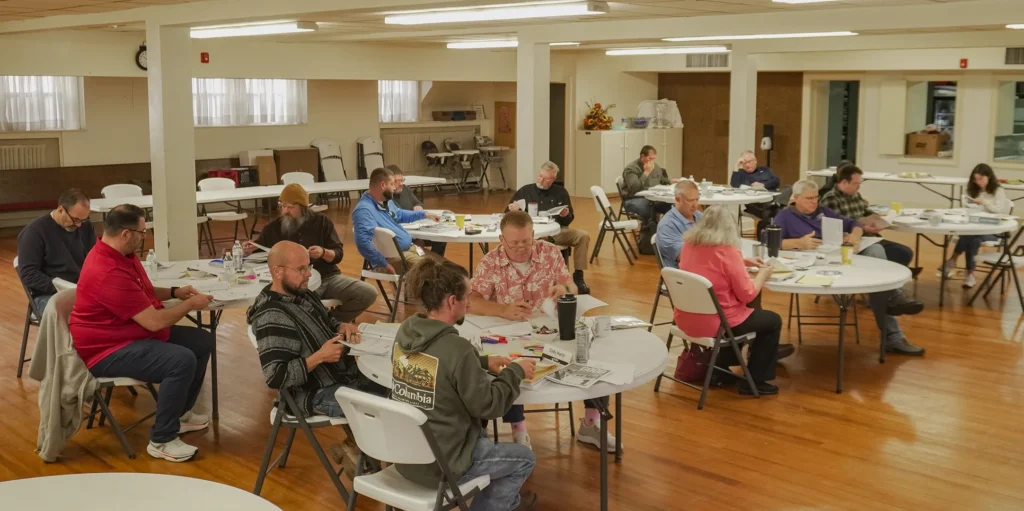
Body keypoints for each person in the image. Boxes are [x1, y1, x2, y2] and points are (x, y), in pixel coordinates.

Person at [70, 204, 214, 462]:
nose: (143, 236)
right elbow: (154, 322)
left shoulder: (121, 255)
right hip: (105, 350)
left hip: (125, 333)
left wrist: (173, 292)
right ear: (126, 234)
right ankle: (162, 439)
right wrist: (190, 304)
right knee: (180, 360)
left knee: (201, 341)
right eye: (142, 231)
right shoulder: (107, 270)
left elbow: (140, 293)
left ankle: (179, 415)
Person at [392, 257, 538, 511]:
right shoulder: (457, 349)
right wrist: (515, 372)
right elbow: (490, 407)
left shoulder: (406, 332)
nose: (470, 304)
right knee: (524, 458)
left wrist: (480, 361)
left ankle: (508, 503)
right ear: (452, 302)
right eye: (468, 296)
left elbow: (436, 364)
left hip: (405, 455)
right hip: (445, 461)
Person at [470, 211, 618, 452]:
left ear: (533, 236)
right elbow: (473, 301)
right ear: (501, 239)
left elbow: (572, 286)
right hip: (511, 330)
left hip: (552, 328)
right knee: (510, 364)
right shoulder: (490, 261)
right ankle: (518, 430)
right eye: (514, 243)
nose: (521, 248)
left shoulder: (549, 252)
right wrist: (502, 308)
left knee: (588, 353)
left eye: (526, 242)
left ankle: (591, 422)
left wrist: (564, 289)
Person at [774, 180, 926, 356]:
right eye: (809, 198)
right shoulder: (784, 216)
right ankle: (894, 322)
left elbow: (855, 224)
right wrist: (798, 243)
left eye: (816, 197)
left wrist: (854, 237)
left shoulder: (823, 212)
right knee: (879, 285)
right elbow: (767, 239)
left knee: (876, 250)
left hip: (838, 257)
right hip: (811, 265)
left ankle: (892, 302)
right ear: (796, 198)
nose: (814, 202)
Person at [247, 241, 387, 419]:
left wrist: (341, 326)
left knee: (398, 392)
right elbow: (275, 376)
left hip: (340, 376)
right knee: (388, 408)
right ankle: (358, 444)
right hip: (312, 393)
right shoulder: (272, 316)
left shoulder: (301, 293)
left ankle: (355, 445)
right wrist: (320, 357)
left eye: (309, 267)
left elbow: (327, 318)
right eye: (300, 269)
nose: (308, 274)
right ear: (277, 271)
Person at [673, 206, 781, 395]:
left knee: (744, 313)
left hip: (686, 317)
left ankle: (719, 369)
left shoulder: (688, 246)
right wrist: (763, 274)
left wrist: (743, 261)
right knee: (772, 321)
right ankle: (755, 381)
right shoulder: (728, 251)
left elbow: (708, 265)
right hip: (718, 323)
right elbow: (748, 294)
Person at [244, 183, 377, 323]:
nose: (286, 211)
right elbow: (260, 255)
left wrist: (323, 252)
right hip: (296, 283)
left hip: (328, 277)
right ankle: (317, 325)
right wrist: (249, 250)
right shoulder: (273, 228)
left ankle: (329, 323)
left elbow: (338, 254)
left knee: (367, 293)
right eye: (283, 206)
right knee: (293, 306)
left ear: (303, 207)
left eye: (291, 207)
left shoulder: (321, 222)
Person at [507, 161, 592, 294]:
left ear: (553, 179)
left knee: (583, 235)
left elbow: (569, 220)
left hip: (557, 232)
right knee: (540, 240)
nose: (541, 180)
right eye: (540, 176)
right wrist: (513, 209)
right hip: (535, 234)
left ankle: (578, 276)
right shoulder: (525, 191)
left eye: (546, 179)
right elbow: (507, 214)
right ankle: (541, 279)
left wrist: (566, 214)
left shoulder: (561, 192)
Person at [819, 164, 917, 271]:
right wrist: (864, 228)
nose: (858, 187)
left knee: (905, 252)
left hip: (870, 238)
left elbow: (867, 212)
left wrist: (877, 220)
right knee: (877, 250)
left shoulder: (855, 195)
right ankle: (887, 278)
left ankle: (895, 275)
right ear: (843, 182)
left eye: (859, 184)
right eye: (856, 184)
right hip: (852, 242)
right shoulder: (831, 199)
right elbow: (837, 228)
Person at [17, 188, 97, 314]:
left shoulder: (85, 226)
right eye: (75, 219)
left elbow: (95, 259)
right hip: (48, 294)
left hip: (80, 289)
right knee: (80, 314)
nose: (79, 225)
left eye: (83, 220)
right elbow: (29, 274)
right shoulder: (34, 232)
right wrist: (64, 288)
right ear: (60, 209)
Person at [353, 167, 441, 274]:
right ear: (382, 185)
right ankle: (412, 290)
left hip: (407, 251)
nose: (394, 188)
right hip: (393, 259)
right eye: (392, 184)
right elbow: (363, 243)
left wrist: (423, 214)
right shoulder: (364, 210)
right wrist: (383, 263)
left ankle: (412, 290)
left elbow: (399, 214)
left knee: (443, 265)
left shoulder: (385, 201)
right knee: (435, 271)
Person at [942, 163, 1013, 288]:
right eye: (976, 179)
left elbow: (999, 210)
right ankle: (970, 274)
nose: (978, 182)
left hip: (994, 231)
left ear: (989, 176)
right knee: (973, 238)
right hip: (976, 227)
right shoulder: (974, 190)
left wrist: (983, 202)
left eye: (981, 179)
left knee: (969, 236)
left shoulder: (998, 190)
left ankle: (953, 260)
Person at [388, 164, 447, 257]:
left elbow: (418, 202)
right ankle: (430, 264)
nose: (400, 184)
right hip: (405, 234)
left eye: (402, 180)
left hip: (417, 229)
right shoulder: (387, 198)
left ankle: (435, 264)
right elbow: (398, 216)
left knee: (441, 239)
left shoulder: (406, 189)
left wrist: (418, 206)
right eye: (396, 181)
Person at [621, 145, 675, 225]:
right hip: (633, 199)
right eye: (650, 158)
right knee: (649, 210)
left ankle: (665, 229)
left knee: (671, 206)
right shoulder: (631, 168)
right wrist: (646, 173)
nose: (652, 161)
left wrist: (670, 181)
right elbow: (634, 188)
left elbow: (661, 179)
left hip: (652, 198)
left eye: (654, 159)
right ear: (642, 156)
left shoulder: (654, 166)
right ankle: (649, 233)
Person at [731, 150, 782, 233]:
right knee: (778, 211)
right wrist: (736, 166)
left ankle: (767, 235)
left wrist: (763, 185)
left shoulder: (765, 170)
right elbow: (734, 184)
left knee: (789, 188)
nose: (747, 165)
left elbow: (776, 181)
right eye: (744, 163)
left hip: (771, 198)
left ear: (755, 161)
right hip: (755, 204)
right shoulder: (741, 173)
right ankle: (768, 236)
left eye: (749, 162)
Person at [656, 180, 702, 267]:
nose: (695, 205)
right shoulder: (667, 226)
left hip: (700, 266)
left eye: (697, 199)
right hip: (683, 274)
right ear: (678, 199)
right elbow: (686, 256)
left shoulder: (698, 216)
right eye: (690, 200)